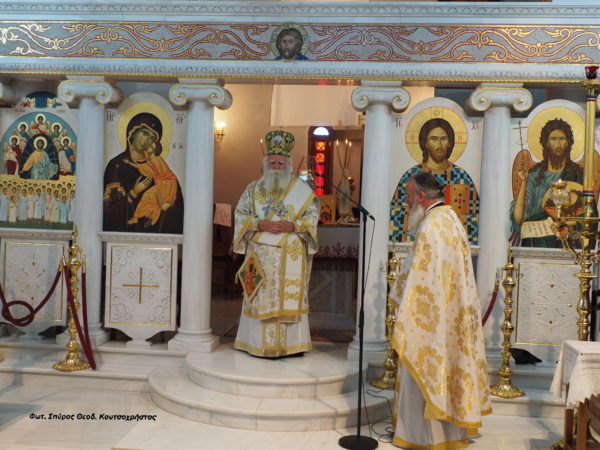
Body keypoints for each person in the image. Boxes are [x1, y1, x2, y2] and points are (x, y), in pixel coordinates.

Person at [390, 172, 491, 449]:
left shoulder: (431, 226)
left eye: (409, 195)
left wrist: (403, 301)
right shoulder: (451, 219)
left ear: (421, 196)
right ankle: (449, 436)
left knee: (424, 366)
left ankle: (421, 437)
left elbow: (421, 278)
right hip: (450, 314)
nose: (406, 201)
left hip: (431, 320)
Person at [233, 130, 319, 357]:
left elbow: (312, 217)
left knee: (287, 298)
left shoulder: (302, 190)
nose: (277, 166)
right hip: (260, 255)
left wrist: (294, 226)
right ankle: (256, 344)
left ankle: (292, 346)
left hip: (290, 253)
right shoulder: (253, 189)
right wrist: (259, 223)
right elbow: (240, 215)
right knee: (260, 295)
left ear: (289, 164)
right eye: (272, 162)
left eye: (281, 163)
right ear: (265, 164)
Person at [390, 118, 478, 244]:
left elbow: (473, 220)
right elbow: (397, 215)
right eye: (434, 139)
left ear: (450, 142)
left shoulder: (462, 177)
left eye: (443, 139)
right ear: (425, 143)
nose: (439, 145)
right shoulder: (411, 177)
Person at [103, 112, 184, 233]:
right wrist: (134, 193)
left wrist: (168, 209)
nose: (147, 140)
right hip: (122, 239)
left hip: (159, 239)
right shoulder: (117, 166)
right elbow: (108, 213)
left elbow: (180, 213)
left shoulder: (162, 171)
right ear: (132, 132)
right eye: (145, 133)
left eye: (152, 138)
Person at [510, 118, 583, 247]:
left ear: (568, 142)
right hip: (534, 240)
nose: (558, 144)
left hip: (562, 242)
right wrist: (524, 181)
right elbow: (519, 218)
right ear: (546, 143)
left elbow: (588, 213)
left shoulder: (577, 174)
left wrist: (568, 230)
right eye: (553, 139)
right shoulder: (534, 175)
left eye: (562, 139)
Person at [127, 138, 178, 227]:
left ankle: (136, 217)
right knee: (154, 202)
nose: (148, 146)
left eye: (151, 147)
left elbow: (147, 170)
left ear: (154, 151)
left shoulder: (155, 160)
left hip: (166, 185)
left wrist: (130, 163)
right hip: (168, 184)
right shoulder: (155, 159)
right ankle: (152, 216)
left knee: (147, 196)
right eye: (150, 144)